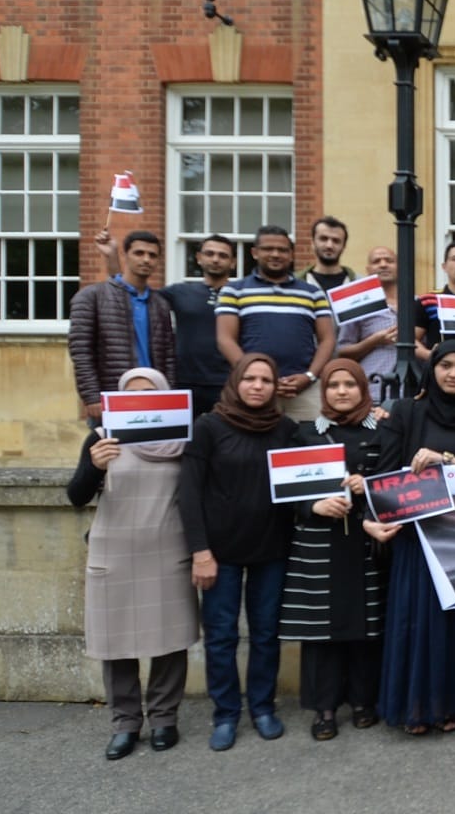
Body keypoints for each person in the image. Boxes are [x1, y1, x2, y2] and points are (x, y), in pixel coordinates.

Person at [66, 367, 199, 760]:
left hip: (167, 547)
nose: (141, 402)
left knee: (170, 641)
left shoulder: (183, 439)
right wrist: (95, 466)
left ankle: (163, 718)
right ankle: (125, 723)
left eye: (149, 394)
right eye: (131, 395)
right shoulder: (101, 438)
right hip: (116, 550)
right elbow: (76, 496)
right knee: (116, 642)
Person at [377, 341, 455, 734]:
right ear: (432, 370)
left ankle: (451, 703)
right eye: (445, 365)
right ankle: (415, 705)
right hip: (418, 536)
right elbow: (384, 470)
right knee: (417, 621)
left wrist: (447, 462)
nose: (453, 374)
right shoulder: (407, 412)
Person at [178, 353, 299, 751]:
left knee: (265, 634)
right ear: (236, 381)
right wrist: (200, 551)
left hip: (271, 550)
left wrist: (376, 419)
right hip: (219, 553)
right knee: (221, 636)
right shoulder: (209, 427)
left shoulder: (286, 429)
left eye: (266, 379)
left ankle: (262, 707)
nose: (258, 386)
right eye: (250, 378)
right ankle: (226, 713)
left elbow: (318, 458)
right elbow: (189, 494)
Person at [279, 359, 391, 740]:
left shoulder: (383, 431)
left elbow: (398, 484)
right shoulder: (305, 433)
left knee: (367, 628)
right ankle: (323, 708)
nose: (342, 391)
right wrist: (313, 505)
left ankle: (364, 701)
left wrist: (370, 486)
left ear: (363, 389)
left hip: (365, 541)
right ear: (323, 391)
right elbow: (285, 491)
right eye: (333, 385)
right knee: (320, 632)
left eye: (350, 384)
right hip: (318, 543)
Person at [99, 228, 232, 417]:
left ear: (232, 262)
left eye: (223, 255)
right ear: (199, 258)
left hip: (228, 382)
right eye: (209, 254)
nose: (216, 259)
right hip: (183, 382)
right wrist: (112, 257)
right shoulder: (179, 292)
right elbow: (127, 291)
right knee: (183, 443)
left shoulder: (243, 294)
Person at [216, 225, 334, 422]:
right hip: (253, 388)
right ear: (254, 252)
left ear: (291, 254)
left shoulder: (312, 292)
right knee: (251, 445)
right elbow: (225, 339)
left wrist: (309, 376)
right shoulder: (233, 291)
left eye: (282, 250)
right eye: (268, 249)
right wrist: (257, 377)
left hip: (304, 389)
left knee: (310, 444)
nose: (275, 254)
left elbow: (328, 339)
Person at [70, 230, 177, 423]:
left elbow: (168, 354)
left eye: (152, 255)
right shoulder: (91, 297)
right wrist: (92, 396)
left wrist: (168, 392)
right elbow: (81, 351)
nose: (146, 260)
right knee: (110, 452)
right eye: (139, 253)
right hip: (113, 396)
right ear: (125, 255)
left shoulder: (160, 303)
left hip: (154, 397)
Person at [336, 246, 403, 404]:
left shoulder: (415, 303)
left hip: (409, 392)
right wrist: (374, 341)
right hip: (372, 390)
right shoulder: (357, 305)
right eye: (376, 261)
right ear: (368, 269)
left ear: (399, 266)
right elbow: (343, 352)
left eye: (389, 260)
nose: (383, 265)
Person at [302, 216, 356, 292]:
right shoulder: (295, 284)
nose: (329, 245)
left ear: (344, 246)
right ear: (313, 243)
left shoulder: (359, 283)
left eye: (336, 241)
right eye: (323, 239)